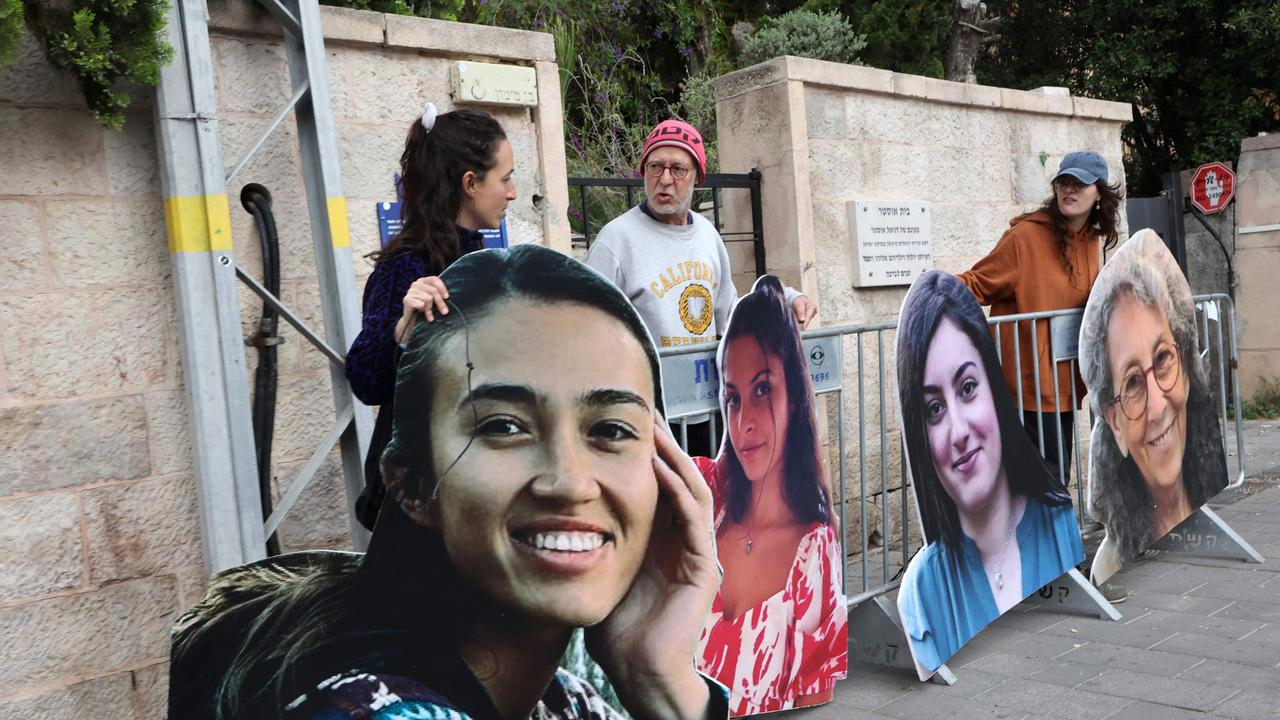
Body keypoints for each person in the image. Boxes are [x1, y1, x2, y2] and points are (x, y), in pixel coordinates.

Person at [170, 245, 728, 720]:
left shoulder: (561, 698)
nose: (570, 482)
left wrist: (661, 682)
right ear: (411, 482)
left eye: (610, 429)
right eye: (503, 426)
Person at [585, 120, 817, 457]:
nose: (665, 179)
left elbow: (730, 312)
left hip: (710, 411)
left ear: (697, 177)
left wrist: (786, 299)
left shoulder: (707, 234)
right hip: (649, 419)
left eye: (678, 169)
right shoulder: (616, 241)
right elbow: (590, 328)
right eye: (655, 167)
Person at [896, 271, 1084, 679]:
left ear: (995, 389)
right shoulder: (924, 591)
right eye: (933, 409)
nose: (959, 432)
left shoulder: (1057, 523)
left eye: (967, 388)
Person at [345, 103, 517, 530]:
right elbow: (367, 381)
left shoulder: (485, 258)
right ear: (470, 184)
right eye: (506, 177)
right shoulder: (404, 267)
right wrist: (404, 327)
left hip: (475, 490)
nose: (513, 192)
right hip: (421, 503)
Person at [691, 276, 846, 715]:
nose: (746, 423)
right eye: (732, 398)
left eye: (763, 389)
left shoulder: (812, 547)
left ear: (794, 397)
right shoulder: (707, 502)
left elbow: (813, 700)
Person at [955, 151, 1123, 483]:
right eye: (1063, 182)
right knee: (1042, 483)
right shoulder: (1025, 238)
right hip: (1026, 384)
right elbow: (974, 283)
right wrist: (929, 296)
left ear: (1100, 193)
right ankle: (1042, 536)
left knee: (1055, 478)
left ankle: (1049, 535)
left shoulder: (1091, 240)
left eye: (1080, 184)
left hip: (1063, 382)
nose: (1069, 190)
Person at [1078, 229, 1228, 584]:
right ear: (1114, 424)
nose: (1158, 406)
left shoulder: (1208, 505)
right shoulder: (1111, 570)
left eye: (1163, 358)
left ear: (1187, 368)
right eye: (1132, 382)